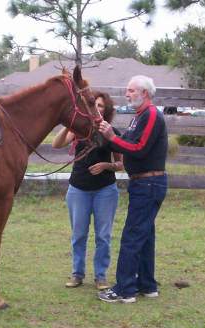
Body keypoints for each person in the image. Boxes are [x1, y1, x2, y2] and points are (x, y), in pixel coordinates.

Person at [97, 75, 168, 303]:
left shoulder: (152, 115)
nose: (127, 94)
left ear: (144, 93)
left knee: (132, 236)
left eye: (130, 91)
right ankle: (147, 286)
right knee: (145, 236)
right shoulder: (139, 117)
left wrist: (111, 137)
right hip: (144, 183)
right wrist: (108, 133)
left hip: (148, 184)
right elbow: (125, 140)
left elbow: (138, 149)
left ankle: (125, 289)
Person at [52, 91, 123, 291]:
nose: (97, 109)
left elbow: (120, 164)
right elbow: (56, 144)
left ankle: (101, 277)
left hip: (105, 191)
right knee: (79, 234)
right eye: (95, 105)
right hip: (78, 190)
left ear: (106, 111)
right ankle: (77, 274)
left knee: (103, 236)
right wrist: (69, 124)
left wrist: (105, 166)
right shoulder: (79, 131)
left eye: (101, 106)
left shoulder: (111, 132)